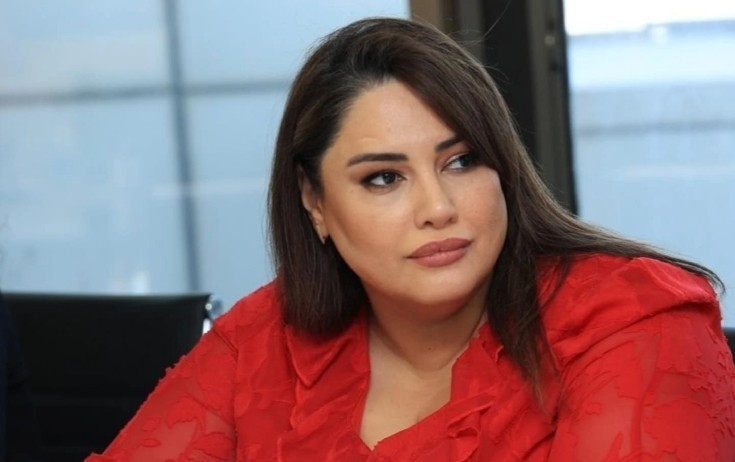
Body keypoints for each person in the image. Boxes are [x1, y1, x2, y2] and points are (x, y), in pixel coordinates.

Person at [86, 17, 735, 461]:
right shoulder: (265, 337)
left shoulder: (633, 320)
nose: (438, 207)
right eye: (383, 178)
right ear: (315, 202)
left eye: (462, 161)